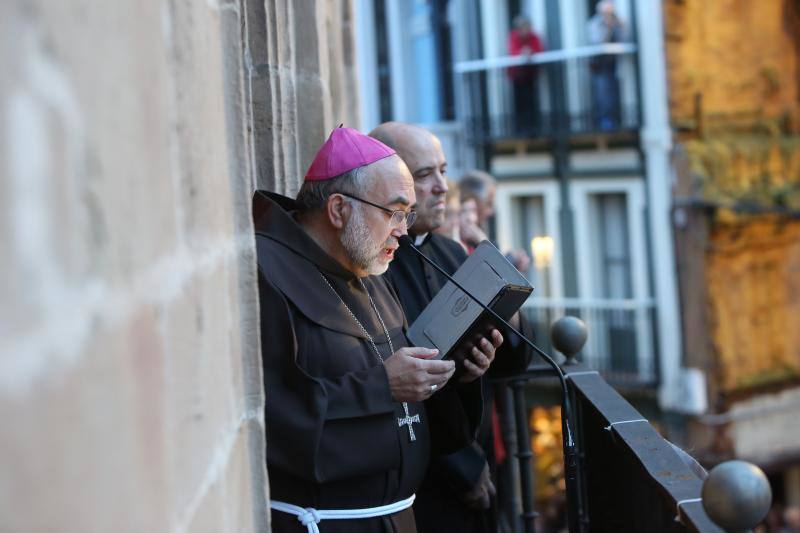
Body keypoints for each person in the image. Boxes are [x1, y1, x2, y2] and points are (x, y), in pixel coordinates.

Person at [254, 126, 489, 532]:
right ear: (339, 209)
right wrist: (382, 386)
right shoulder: (267, 271)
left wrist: (459, 374)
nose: (403, 228)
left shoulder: (370, 267)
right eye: (394, 212)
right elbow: (272, 412)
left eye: (408, 214)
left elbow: (409, 399)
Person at [370, 122, 533, 533]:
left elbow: (513, 361)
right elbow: (396, 380)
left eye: (443, 170)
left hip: (474, 453)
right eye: (424, 175)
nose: (443, 186)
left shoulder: (450, 252)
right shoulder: (373, 264)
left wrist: (483, 355)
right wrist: (463, 465)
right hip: (422, 481)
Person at [587, 0, 627, 130]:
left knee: (613, 92)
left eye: (611, 13)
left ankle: (615, 119)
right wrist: (608, 28)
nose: (609, 16)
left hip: (613, 64)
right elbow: (598, 42)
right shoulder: (595, 24)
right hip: (599, 65)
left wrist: (620, 26)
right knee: (602, 93)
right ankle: (603, 121)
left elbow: (625, 38)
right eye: (606, 13)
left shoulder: (617, 23)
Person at [507, 15, 544, 136]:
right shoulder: (514, 37)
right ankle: (520, 129)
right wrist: (522, 53)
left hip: (529, 75)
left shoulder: (534, 37)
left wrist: (530, 52)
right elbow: (512, 51)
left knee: (530, 102)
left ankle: (532, 129)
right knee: (519, 103)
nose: (525, 30)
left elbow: (539, 49)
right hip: (517, 76)